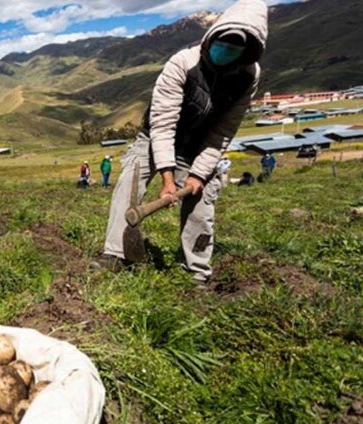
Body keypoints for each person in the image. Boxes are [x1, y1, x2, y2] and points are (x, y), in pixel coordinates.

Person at [88, 0, 268, 287]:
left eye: (234, 49)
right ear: (211, 39)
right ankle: (115, 254)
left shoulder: (248, 76)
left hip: (199, 146)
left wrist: (198, 174)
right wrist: (168, 178)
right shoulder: (183, 63)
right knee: (130, 179)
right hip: (155, 139)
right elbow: (163, 125)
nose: (225, 51)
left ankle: (196, 272)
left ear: (246, 53)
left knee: (203, 201)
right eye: (222, 44)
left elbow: (223, 132)